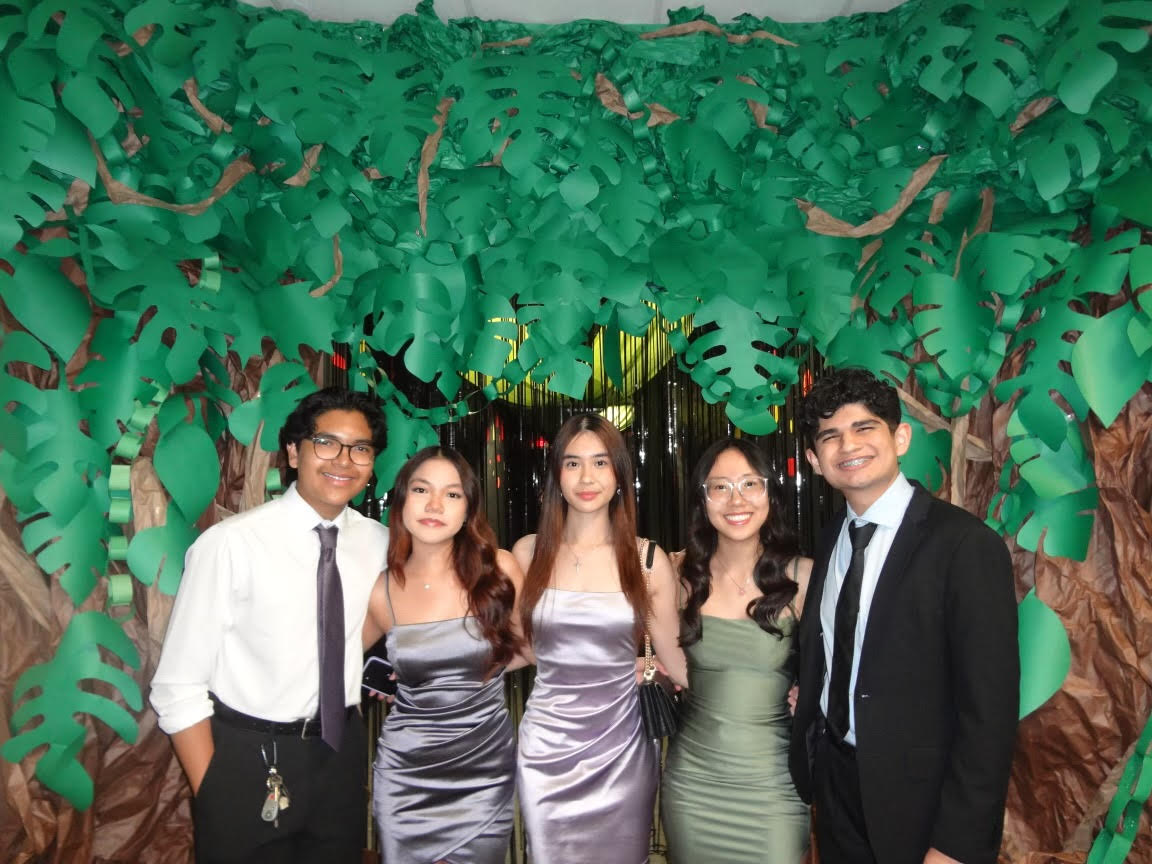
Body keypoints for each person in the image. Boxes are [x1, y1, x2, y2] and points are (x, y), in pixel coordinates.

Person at [789, 367, 1019, 864]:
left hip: (922, 806)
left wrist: (957, 844)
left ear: (901, 436)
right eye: (829, 436)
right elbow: (837, 647)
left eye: (864, 428)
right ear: (814, 458)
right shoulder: (832, 539)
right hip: (837, 788)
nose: (847, 445)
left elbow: (989, 714)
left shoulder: (964, 546)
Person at [150, 387, 390, 863]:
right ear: (294, 451)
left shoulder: (378, 542)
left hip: (339, 752)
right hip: (247, 755)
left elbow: (360, 629)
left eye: (360, 448)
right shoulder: (231, 545)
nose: (343, 460)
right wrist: (216, 790)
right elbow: (176, 686)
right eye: (326, 442)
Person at [512, 413, 688, 864]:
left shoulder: (648, 560)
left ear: (620, 475)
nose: (587, 477)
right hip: (546, 749)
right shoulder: (528, 552)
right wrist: (430, 669)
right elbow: (519, 648)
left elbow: (675, 660)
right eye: (572, 464)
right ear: (556, 474)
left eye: (601, 463)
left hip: (622, 749)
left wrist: (771, 678)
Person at [363, 446, 524, 864]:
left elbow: (532, 649)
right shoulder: (381, 590)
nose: (435, 505)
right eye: (421, 490)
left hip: (484, 768)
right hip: (406, 773)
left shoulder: (499, 571)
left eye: (452, 494)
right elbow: (335, 659)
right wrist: (377, 675)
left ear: (468, 509)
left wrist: (472, 671)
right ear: (400, 502)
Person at [661, 438, 811, 863]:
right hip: (694, 783)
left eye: (750, 483)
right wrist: (649, 664)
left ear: (770, 493)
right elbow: (654, 649)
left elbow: (843, 663)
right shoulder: (680, 577)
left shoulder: (802, 578)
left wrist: (813, 694)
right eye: (720, 487)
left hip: (774, 786)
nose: (736, 499)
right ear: (703, 500)